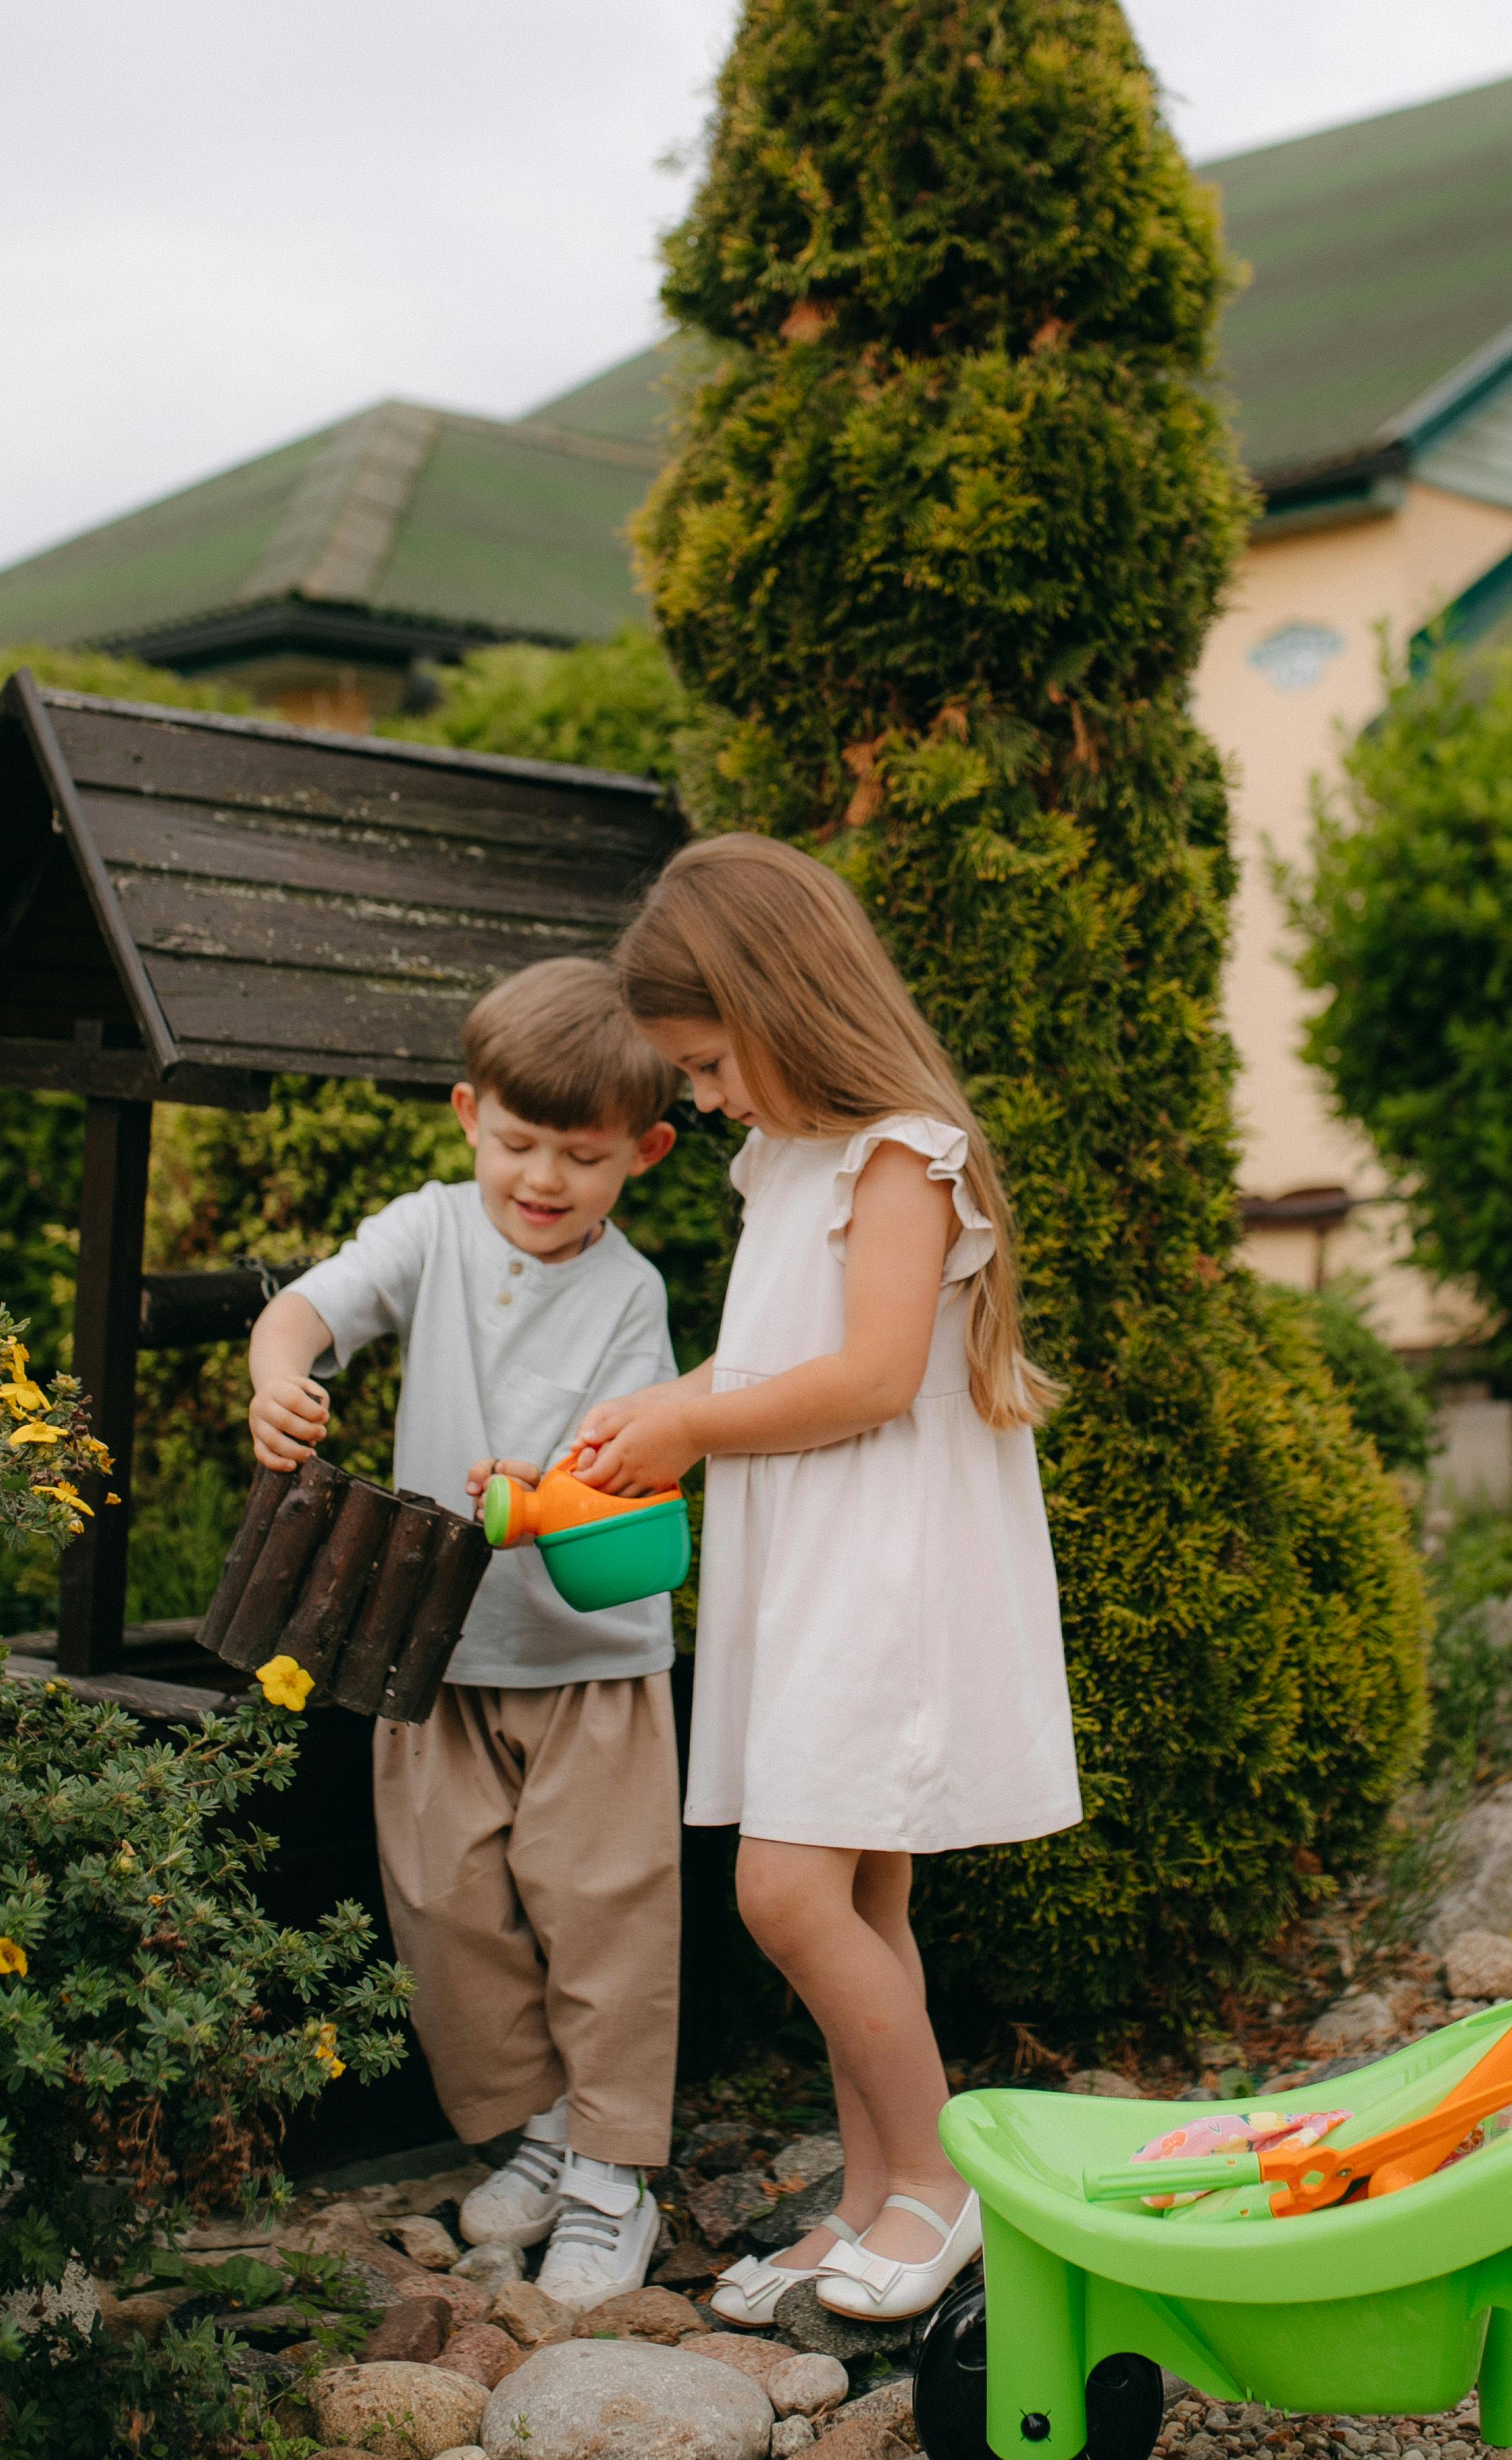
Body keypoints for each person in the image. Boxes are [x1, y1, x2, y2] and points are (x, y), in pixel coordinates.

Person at [567, 834, 1079, 2328]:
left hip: (883, 1568)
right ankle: (869, 2205)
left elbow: (863, 1378)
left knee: (786, 1889)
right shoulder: (785, 1159)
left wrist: (693, 1422)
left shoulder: (899, 1153)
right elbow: (781, 1354)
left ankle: (942, 2183)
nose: (707, 1096)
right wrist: (661, 1412)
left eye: (711, 1062)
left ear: (781, 1005)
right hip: (812, 1560)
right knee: (857, 1884)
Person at [245, 958, 682, 2302]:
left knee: (601, 1910)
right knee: (443, 1908)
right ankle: (534, 2130)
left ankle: (617, 2171)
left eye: (581, 1155)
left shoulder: (630, 1297)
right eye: (515, 1142)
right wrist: (278, 1373)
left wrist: (533, 1495)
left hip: (587, 1668)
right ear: (466, 1116)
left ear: (644, 1154)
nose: (541, 1179)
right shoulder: (429, 1231)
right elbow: (315, 1305)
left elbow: (617, 1472)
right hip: (426, 1656)